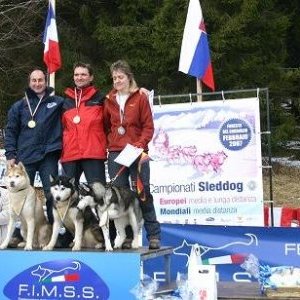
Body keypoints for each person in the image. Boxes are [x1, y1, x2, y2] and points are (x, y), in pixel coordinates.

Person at [4, 68, 72, 248]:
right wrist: (10, 154)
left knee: (51, 194)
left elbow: (77, 108)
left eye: (40, 80)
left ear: (45, 82)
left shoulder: (56, 102)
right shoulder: (19, 106)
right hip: (24, 156)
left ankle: (52, 233)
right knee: (21, 194)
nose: (37, 83)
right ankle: (19, 233)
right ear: (29, 82)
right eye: (34, 80)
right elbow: (11, 131)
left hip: (47, 155)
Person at [104, 59, 161, 250]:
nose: (117, 81)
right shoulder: (109, 99)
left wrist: (138, 145)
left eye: (120, 77)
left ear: (129, 78)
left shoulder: (140, 98)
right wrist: (111, 143)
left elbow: (148, 127)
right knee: (120, 197)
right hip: (116, 153)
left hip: (137, 152)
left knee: (142, 192)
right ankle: (128, 236)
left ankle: (153, 234)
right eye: (114, 78)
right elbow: (106, 126)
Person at [60, 62, 107, 186]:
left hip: (93, 152)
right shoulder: (66, 101)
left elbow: (108, 124)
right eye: (76, 74)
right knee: (68, 195)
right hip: (70, 153)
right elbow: (61, 127)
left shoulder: (101, 99)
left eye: (83, 74)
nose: (79, 77)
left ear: (91, 77)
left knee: (99, 196)